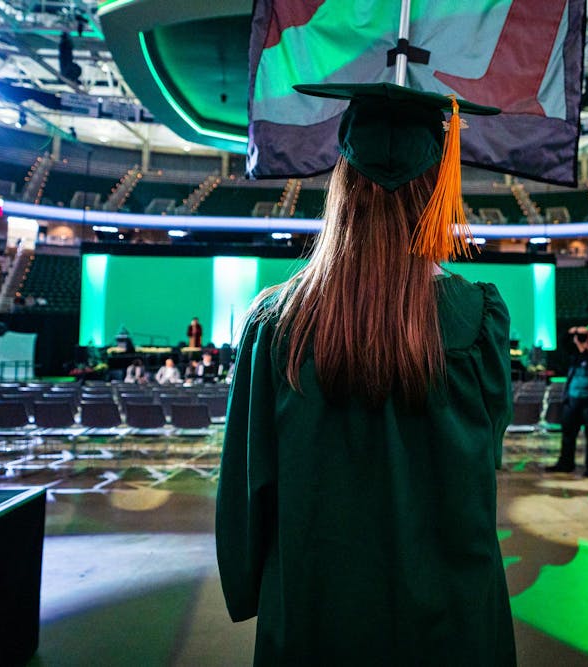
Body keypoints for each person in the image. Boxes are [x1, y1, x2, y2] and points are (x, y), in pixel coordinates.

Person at [216, 82, 515, 665]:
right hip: (450, 623)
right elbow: (487, 457)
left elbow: (248, 487)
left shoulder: (276, 322)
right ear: (436, 189)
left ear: (341, 187)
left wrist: (252, 582)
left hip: (317, 615)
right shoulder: (479, 320)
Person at [547, 325, 588, 478]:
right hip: (573, 401)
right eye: (586, 338)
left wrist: (585, 350)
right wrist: (573, 332)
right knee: (568, 435)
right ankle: (566, 463)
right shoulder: (577, 355)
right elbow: (564, 344)